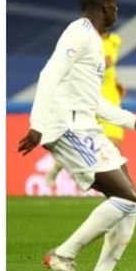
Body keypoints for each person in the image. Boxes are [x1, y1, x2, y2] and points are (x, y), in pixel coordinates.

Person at [17, 0, 136, 271]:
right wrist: (37, 124)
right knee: (126, 196)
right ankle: (63, 255)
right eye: (115, 4)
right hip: (68, 127)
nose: (117, 10)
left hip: (87, 126)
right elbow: (49, 74)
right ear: (105, 6)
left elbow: (91, 99)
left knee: (131, 200)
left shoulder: (94, 41)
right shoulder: (79, 33)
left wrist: (135, 122)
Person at [45, 29, 127, 189]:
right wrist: (101, 62)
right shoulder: (86, 43)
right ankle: (57, 167)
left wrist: (116, 82)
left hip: (110, 98)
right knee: (81, 141)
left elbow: (111, 67)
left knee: (114, 144)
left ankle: (115, 189)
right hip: (89, 97)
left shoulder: (115, 41)